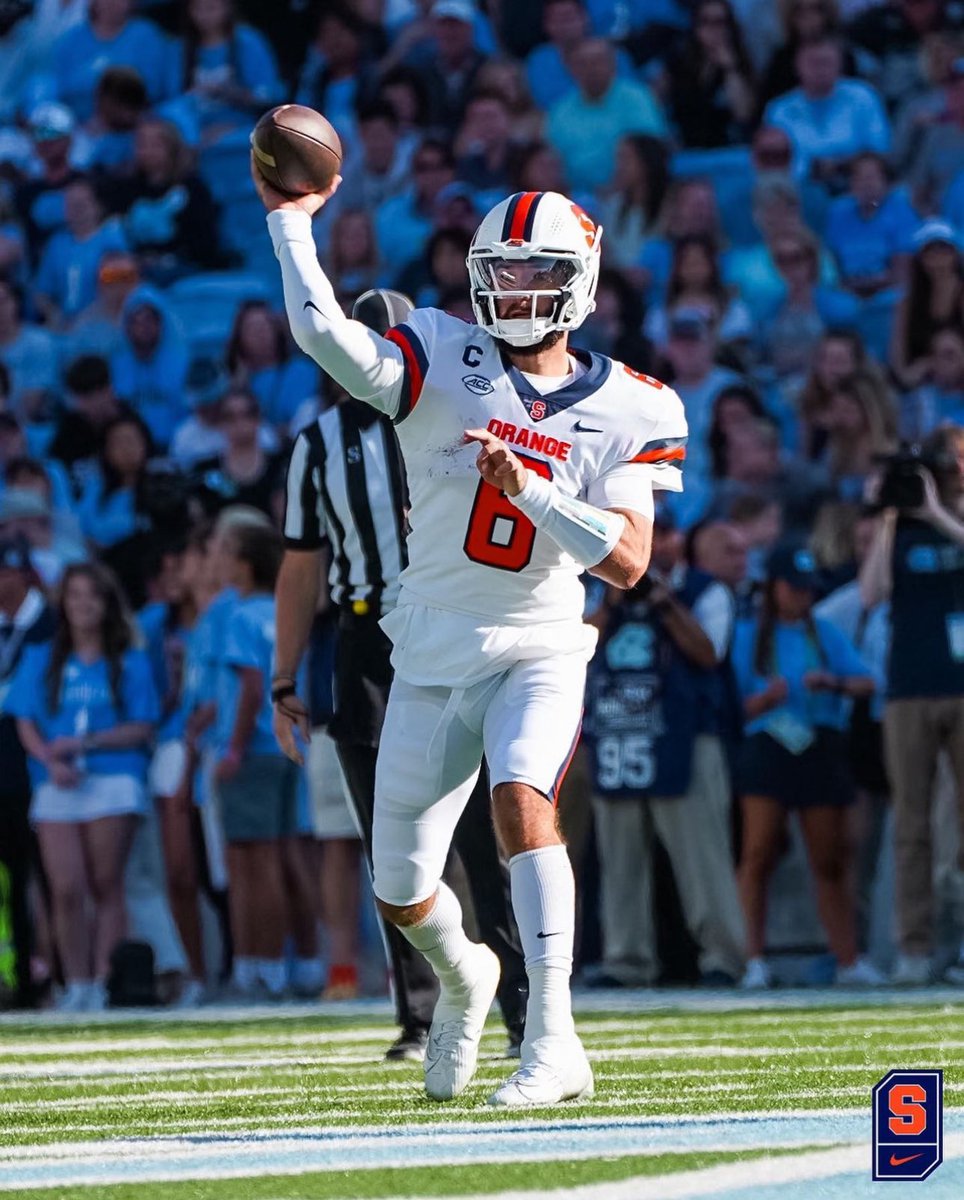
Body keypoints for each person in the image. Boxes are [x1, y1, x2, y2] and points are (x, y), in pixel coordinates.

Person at [258, 164, 687, 1107]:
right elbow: (323, 334)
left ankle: (555, 1037)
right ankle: (465, 977)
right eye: (502, 270)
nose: (515, 291)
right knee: (402, 890)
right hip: (427, 650)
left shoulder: (636, 404)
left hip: (540, 642)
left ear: (578, 281)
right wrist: (293, 225)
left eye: (536, 272)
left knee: (523, 798)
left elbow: (626, 564)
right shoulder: (441, 353)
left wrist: (530, 489)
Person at [276, 286, 527, 1059]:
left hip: (453, 626)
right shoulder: (318, 443)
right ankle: (420, 1012)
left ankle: (523, 1006)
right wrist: (285, 677)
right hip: (365, 642)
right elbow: (301, 562)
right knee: (394, 841)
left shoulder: (460, 415)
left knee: (489, 828)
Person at [585, 512, 747, 988]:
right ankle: (625, 960)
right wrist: (614, 605)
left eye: (665, 534)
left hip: (687, 737)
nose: (657, 544)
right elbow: (582, 645)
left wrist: (664, 601)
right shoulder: (600, 585)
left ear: (678, 541)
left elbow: (708, 652)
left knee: (703, 856)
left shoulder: (706, 590)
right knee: (620, 858)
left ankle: (723, 957)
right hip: (618, 736)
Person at [6, 562, 159, 1011]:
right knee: (66, 886)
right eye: (74, 595)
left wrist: (88, 742)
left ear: (106, 602)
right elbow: (25, 720)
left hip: (113, 778)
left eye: (92, 595)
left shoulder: (128, 657)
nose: (83, 604)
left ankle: (105, 980)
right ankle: (75, 983)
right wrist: (50, 758)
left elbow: (142, 725)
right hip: (57, 782)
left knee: (105, 882)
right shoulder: (42, 656)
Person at [732, 542, 880, 989]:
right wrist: (766, 699)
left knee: (829, 858)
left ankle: (847, 959)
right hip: (767, 748)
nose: (802, 597)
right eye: (794, 589)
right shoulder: (746, 636)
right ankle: (752, 959)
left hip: (818, 745)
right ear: (774, 588)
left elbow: (866, 682)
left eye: (807, 589)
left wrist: (831, 683)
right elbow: (733, 708)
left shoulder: (826, 632)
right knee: (757, 853)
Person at [859, 424, 964, 984]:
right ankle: (915, 947)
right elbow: (873, 593)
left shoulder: (953, 519)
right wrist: (891, 515)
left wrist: (940, 514)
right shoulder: (899, 527)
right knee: (913, 825)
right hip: (908, 687)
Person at [0, 535, 55, 1008]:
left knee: (50, 874)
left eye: (9, 571)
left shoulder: (51, 625)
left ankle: (57, 975)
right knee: (13, 879)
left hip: (41, 766)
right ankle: (18, 975)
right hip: (4, 769)